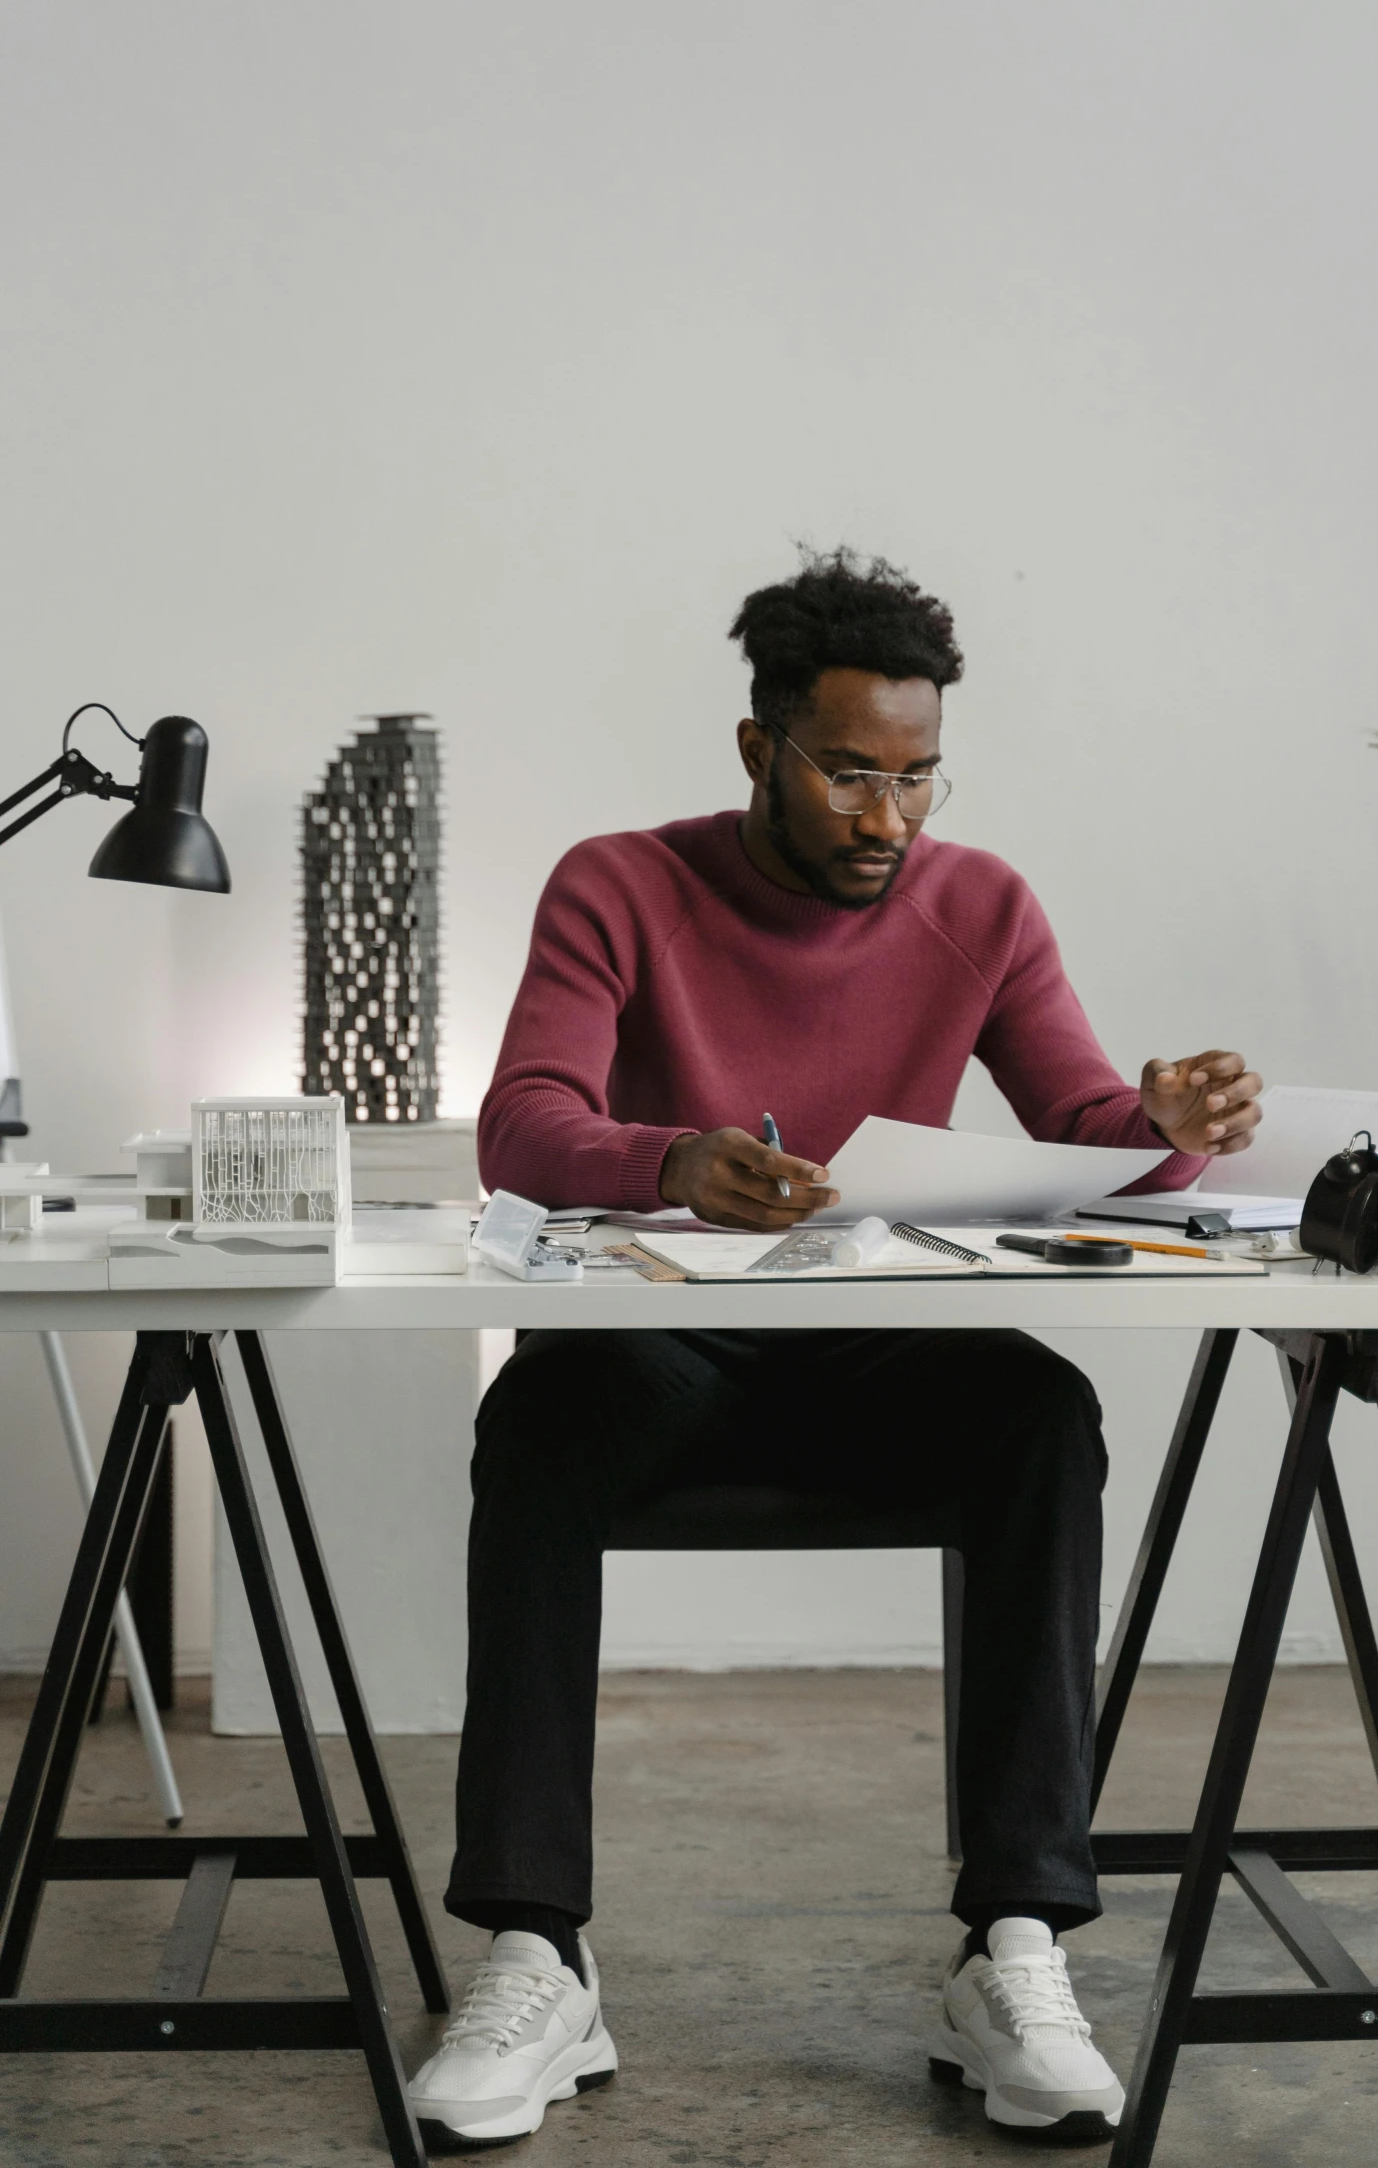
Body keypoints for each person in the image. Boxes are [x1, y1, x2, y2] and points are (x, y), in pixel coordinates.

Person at [408, 549, 1262, 2150]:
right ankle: (536, 1949)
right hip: (664, 1349)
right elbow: (523, 1125)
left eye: (919, 778)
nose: (890, 819)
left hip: (880, 1350)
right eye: (854, 774)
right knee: (540, 1413)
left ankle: (1014, 1943)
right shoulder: (619, 881)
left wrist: (1164, 1128)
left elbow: (1080, 1123)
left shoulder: (980, 902)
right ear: (760, 750)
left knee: (1037, 1410)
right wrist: (673, 1159)